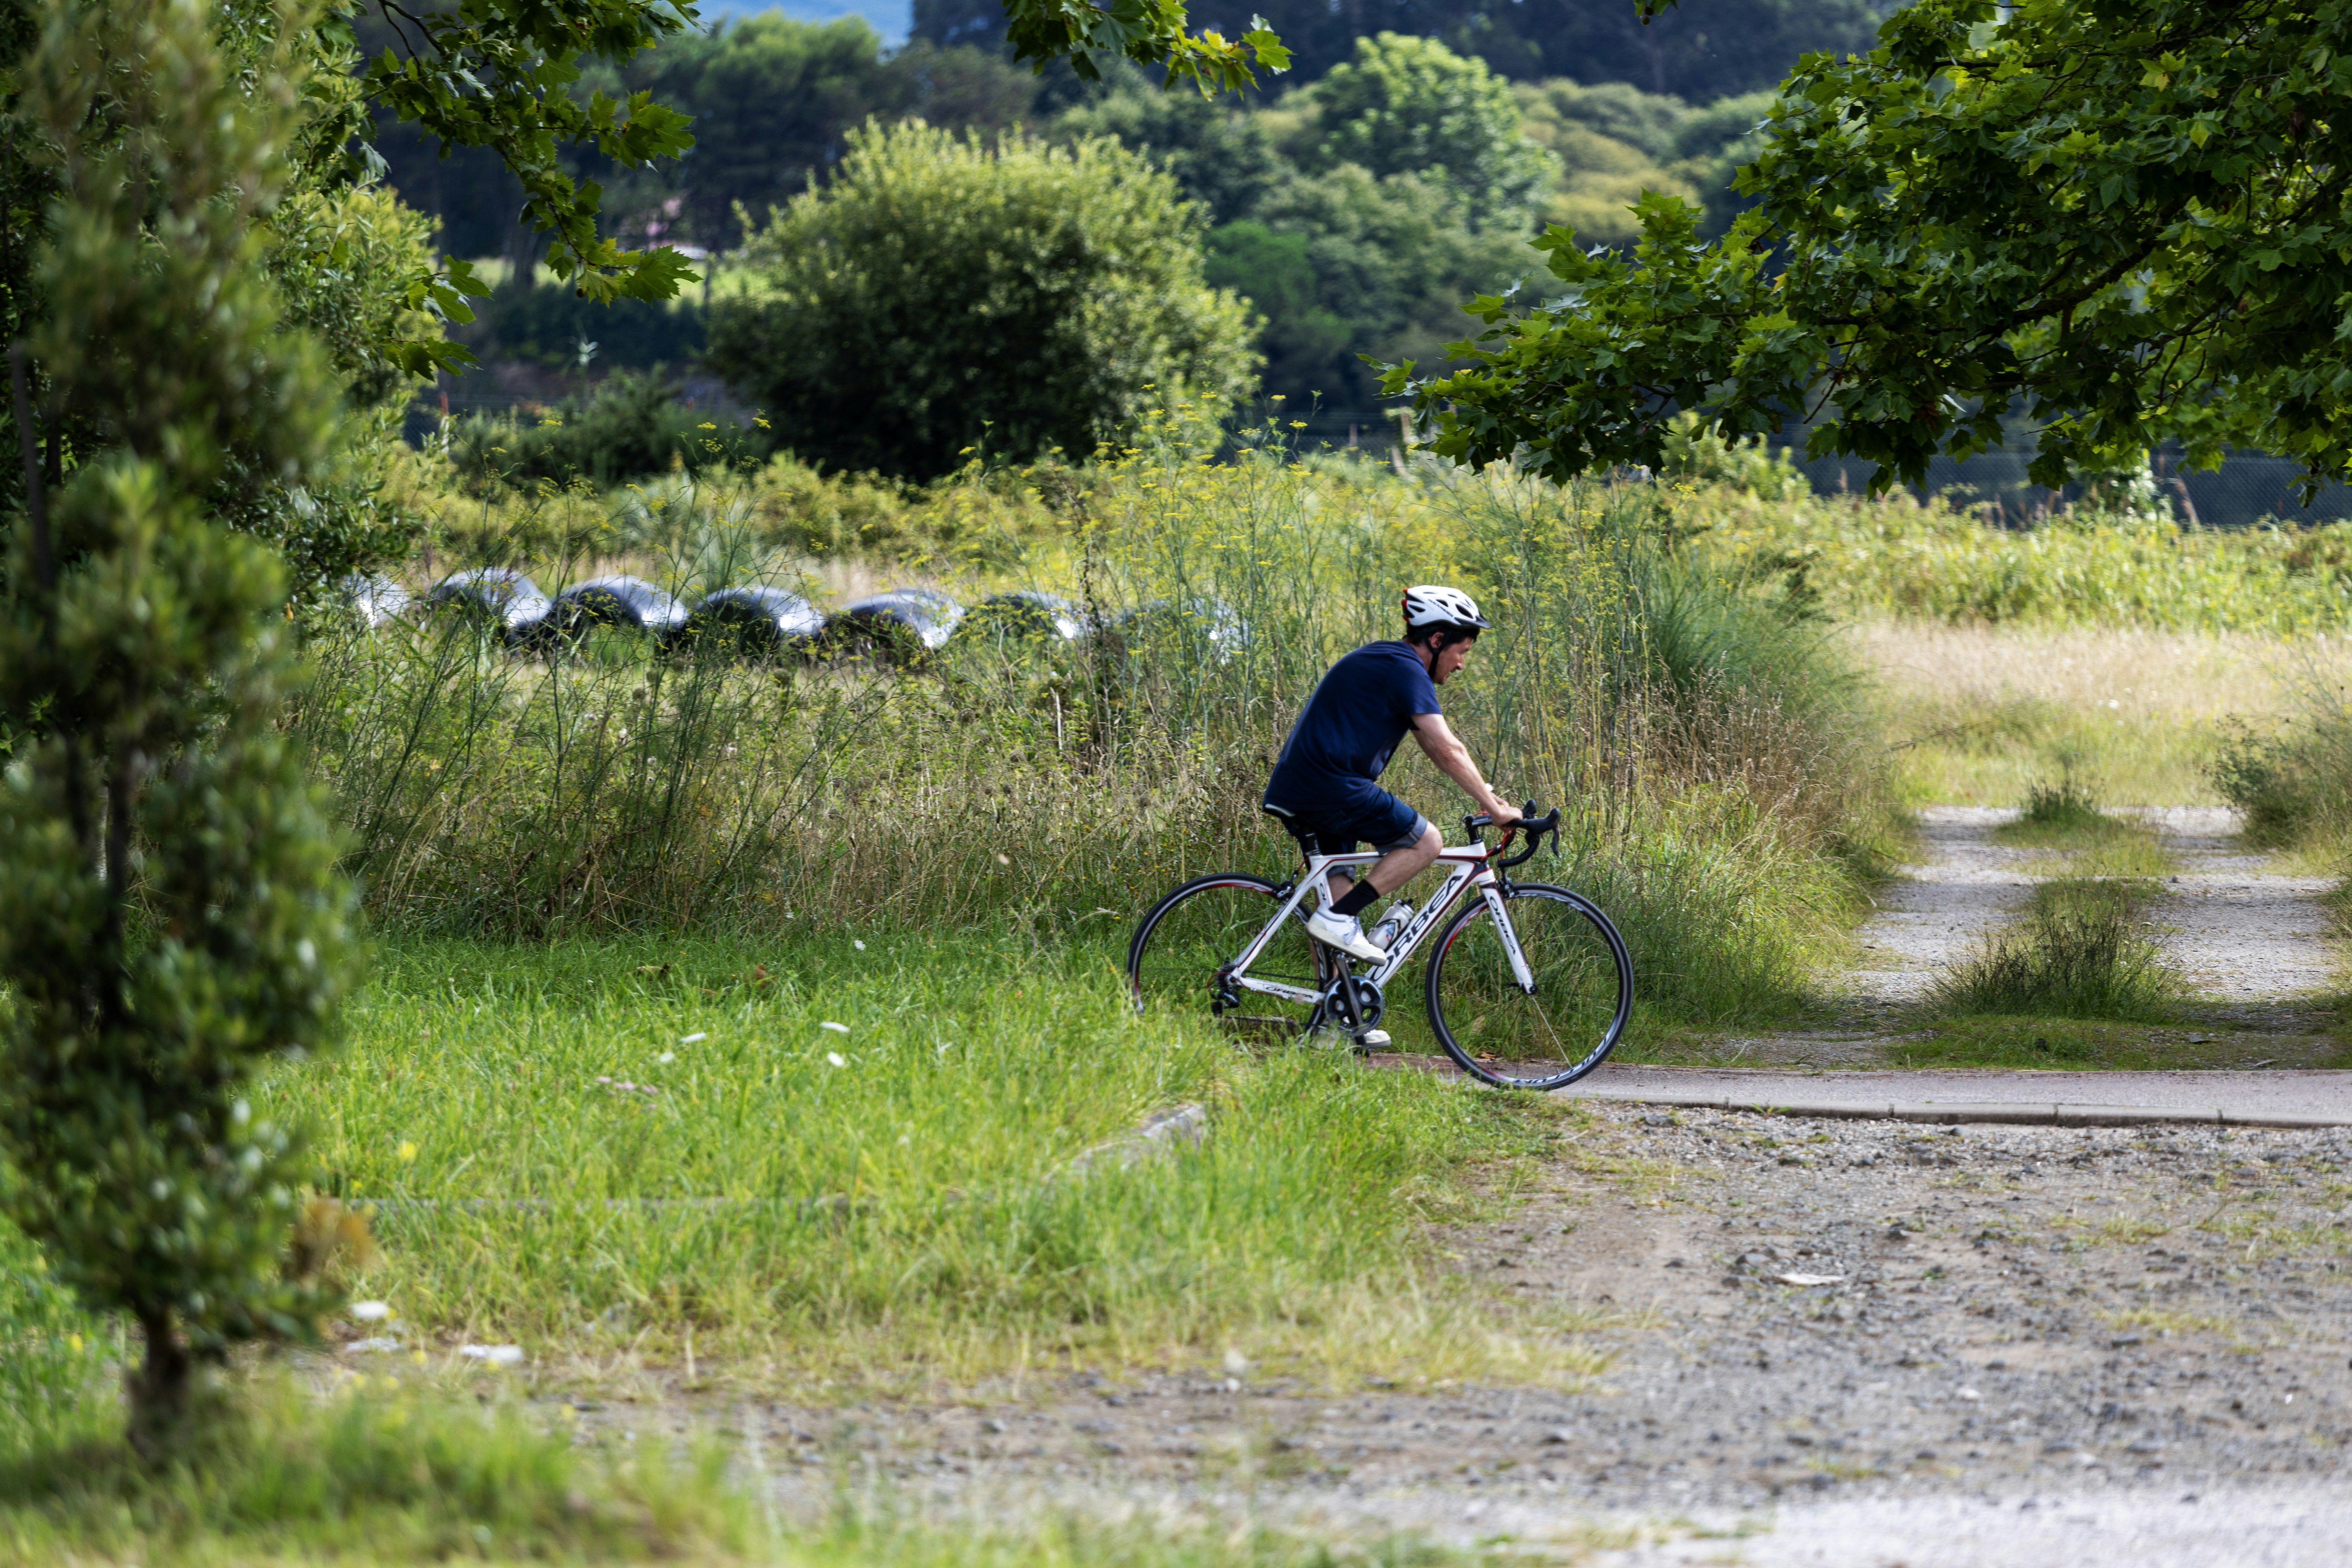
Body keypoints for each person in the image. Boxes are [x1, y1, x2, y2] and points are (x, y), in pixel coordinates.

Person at [1263, 584, 1523, 987]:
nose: (1460, 665)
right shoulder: (1405, 668)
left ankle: (1337, 1016)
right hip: (1331, 786)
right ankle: (1338, 919)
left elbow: (1436, 750)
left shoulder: (1388, 662)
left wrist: (1485, 796)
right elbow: (1448, 748)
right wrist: (1498, 808)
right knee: (1426, 843)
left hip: (1310, 787)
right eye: (1462, 652)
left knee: (1339, 894)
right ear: (1437, 640)